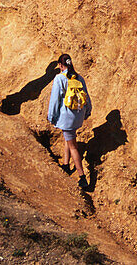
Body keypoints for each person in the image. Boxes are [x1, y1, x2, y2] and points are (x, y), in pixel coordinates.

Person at [47, 53, 93, 190]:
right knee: (69, 137)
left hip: (67, 117)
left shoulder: (59, 78)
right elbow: (87, 97)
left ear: (61, 65)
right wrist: (87, 112)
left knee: (73, 146)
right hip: (78, 116)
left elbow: (55, 100)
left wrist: (51, 116)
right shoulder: (79, 77)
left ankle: (82, 177)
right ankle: (66, 165)